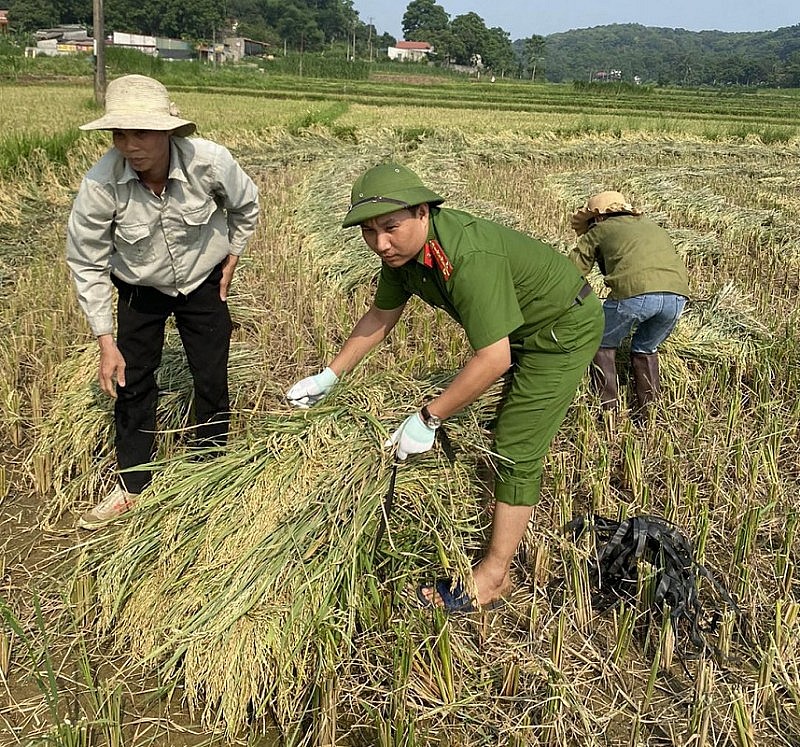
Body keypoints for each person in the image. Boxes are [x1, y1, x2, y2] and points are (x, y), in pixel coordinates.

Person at [286, 163, 603, 611]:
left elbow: (494, 358)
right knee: (494, 414)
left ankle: (495, 576)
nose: (380, 243)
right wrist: (330, 375)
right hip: (520, 326)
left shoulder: (467, 256)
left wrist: (428, 418)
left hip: (559, 331)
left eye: (390, 228)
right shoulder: (401, 255)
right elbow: (381, 316)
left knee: (516, 445)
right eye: (369, 231)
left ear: (422, 212)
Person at [66, 75, 259, 530]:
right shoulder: (101, 185)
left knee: (210, 374)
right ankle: (133, 484)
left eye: (142, 133)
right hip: (139, 288)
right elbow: (87, 260)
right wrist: (104, 340)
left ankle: (208, 465)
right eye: (120, 134)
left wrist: (233, 254)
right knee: (132, 381)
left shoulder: (210, 162)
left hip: (202, 281)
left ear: (168, 131)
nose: (130, 146)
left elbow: (246, 204)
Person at [570, 191, 690, 415]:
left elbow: (571, 272)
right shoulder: (651, 226)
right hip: (676, 297)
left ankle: (607, 411)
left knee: (601, 342)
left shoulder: (599, 230)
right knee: (646, 347)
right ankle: (649, 412)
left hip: (636, 294)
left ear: (597, 218)